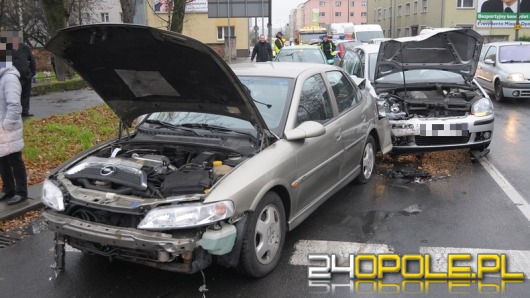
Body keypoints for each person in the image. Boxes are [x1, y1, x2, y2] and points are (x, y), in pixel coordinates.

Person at [0, 33, 29, 205]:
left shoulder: (9, 78)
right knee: (2, 159)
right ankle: (8, 189)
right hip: (1, 127)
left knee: (14, 160)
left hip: (7, 127)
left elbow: (14, 105)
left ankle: (21, 192)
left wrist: (7, 126)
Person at [12, 31, 36, 117]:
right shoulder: (25, 47)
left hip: (14, 75)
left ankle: (18, 112)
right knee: (25, 94)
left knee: (15, 94)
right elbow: (32, 60)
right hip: (25, 74)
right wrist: (32, 72)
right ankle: (24, 111)